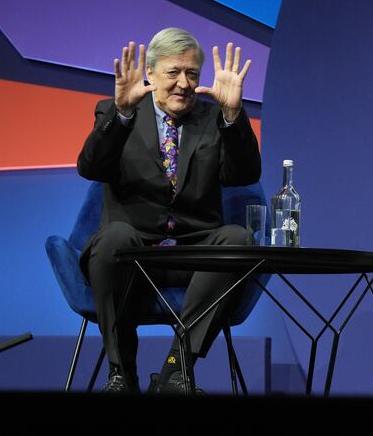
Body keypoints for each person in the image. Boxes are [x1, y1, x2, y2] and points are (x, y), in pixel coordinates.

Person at [77, 27, 261, 393]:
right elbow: (91, 167)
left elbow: (243, 175)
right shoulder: (119, 112)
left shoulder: (212, 120)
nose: (184, 83)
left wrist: (232, 115)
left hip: (194, 254)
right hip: (132, 252)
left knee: (237, 238)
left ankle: (177, 371)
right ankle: (120, 373)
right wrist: (122, 114)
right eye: (173, 72)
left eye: (192, 73)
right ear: (150, 74)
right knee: (113, 237)